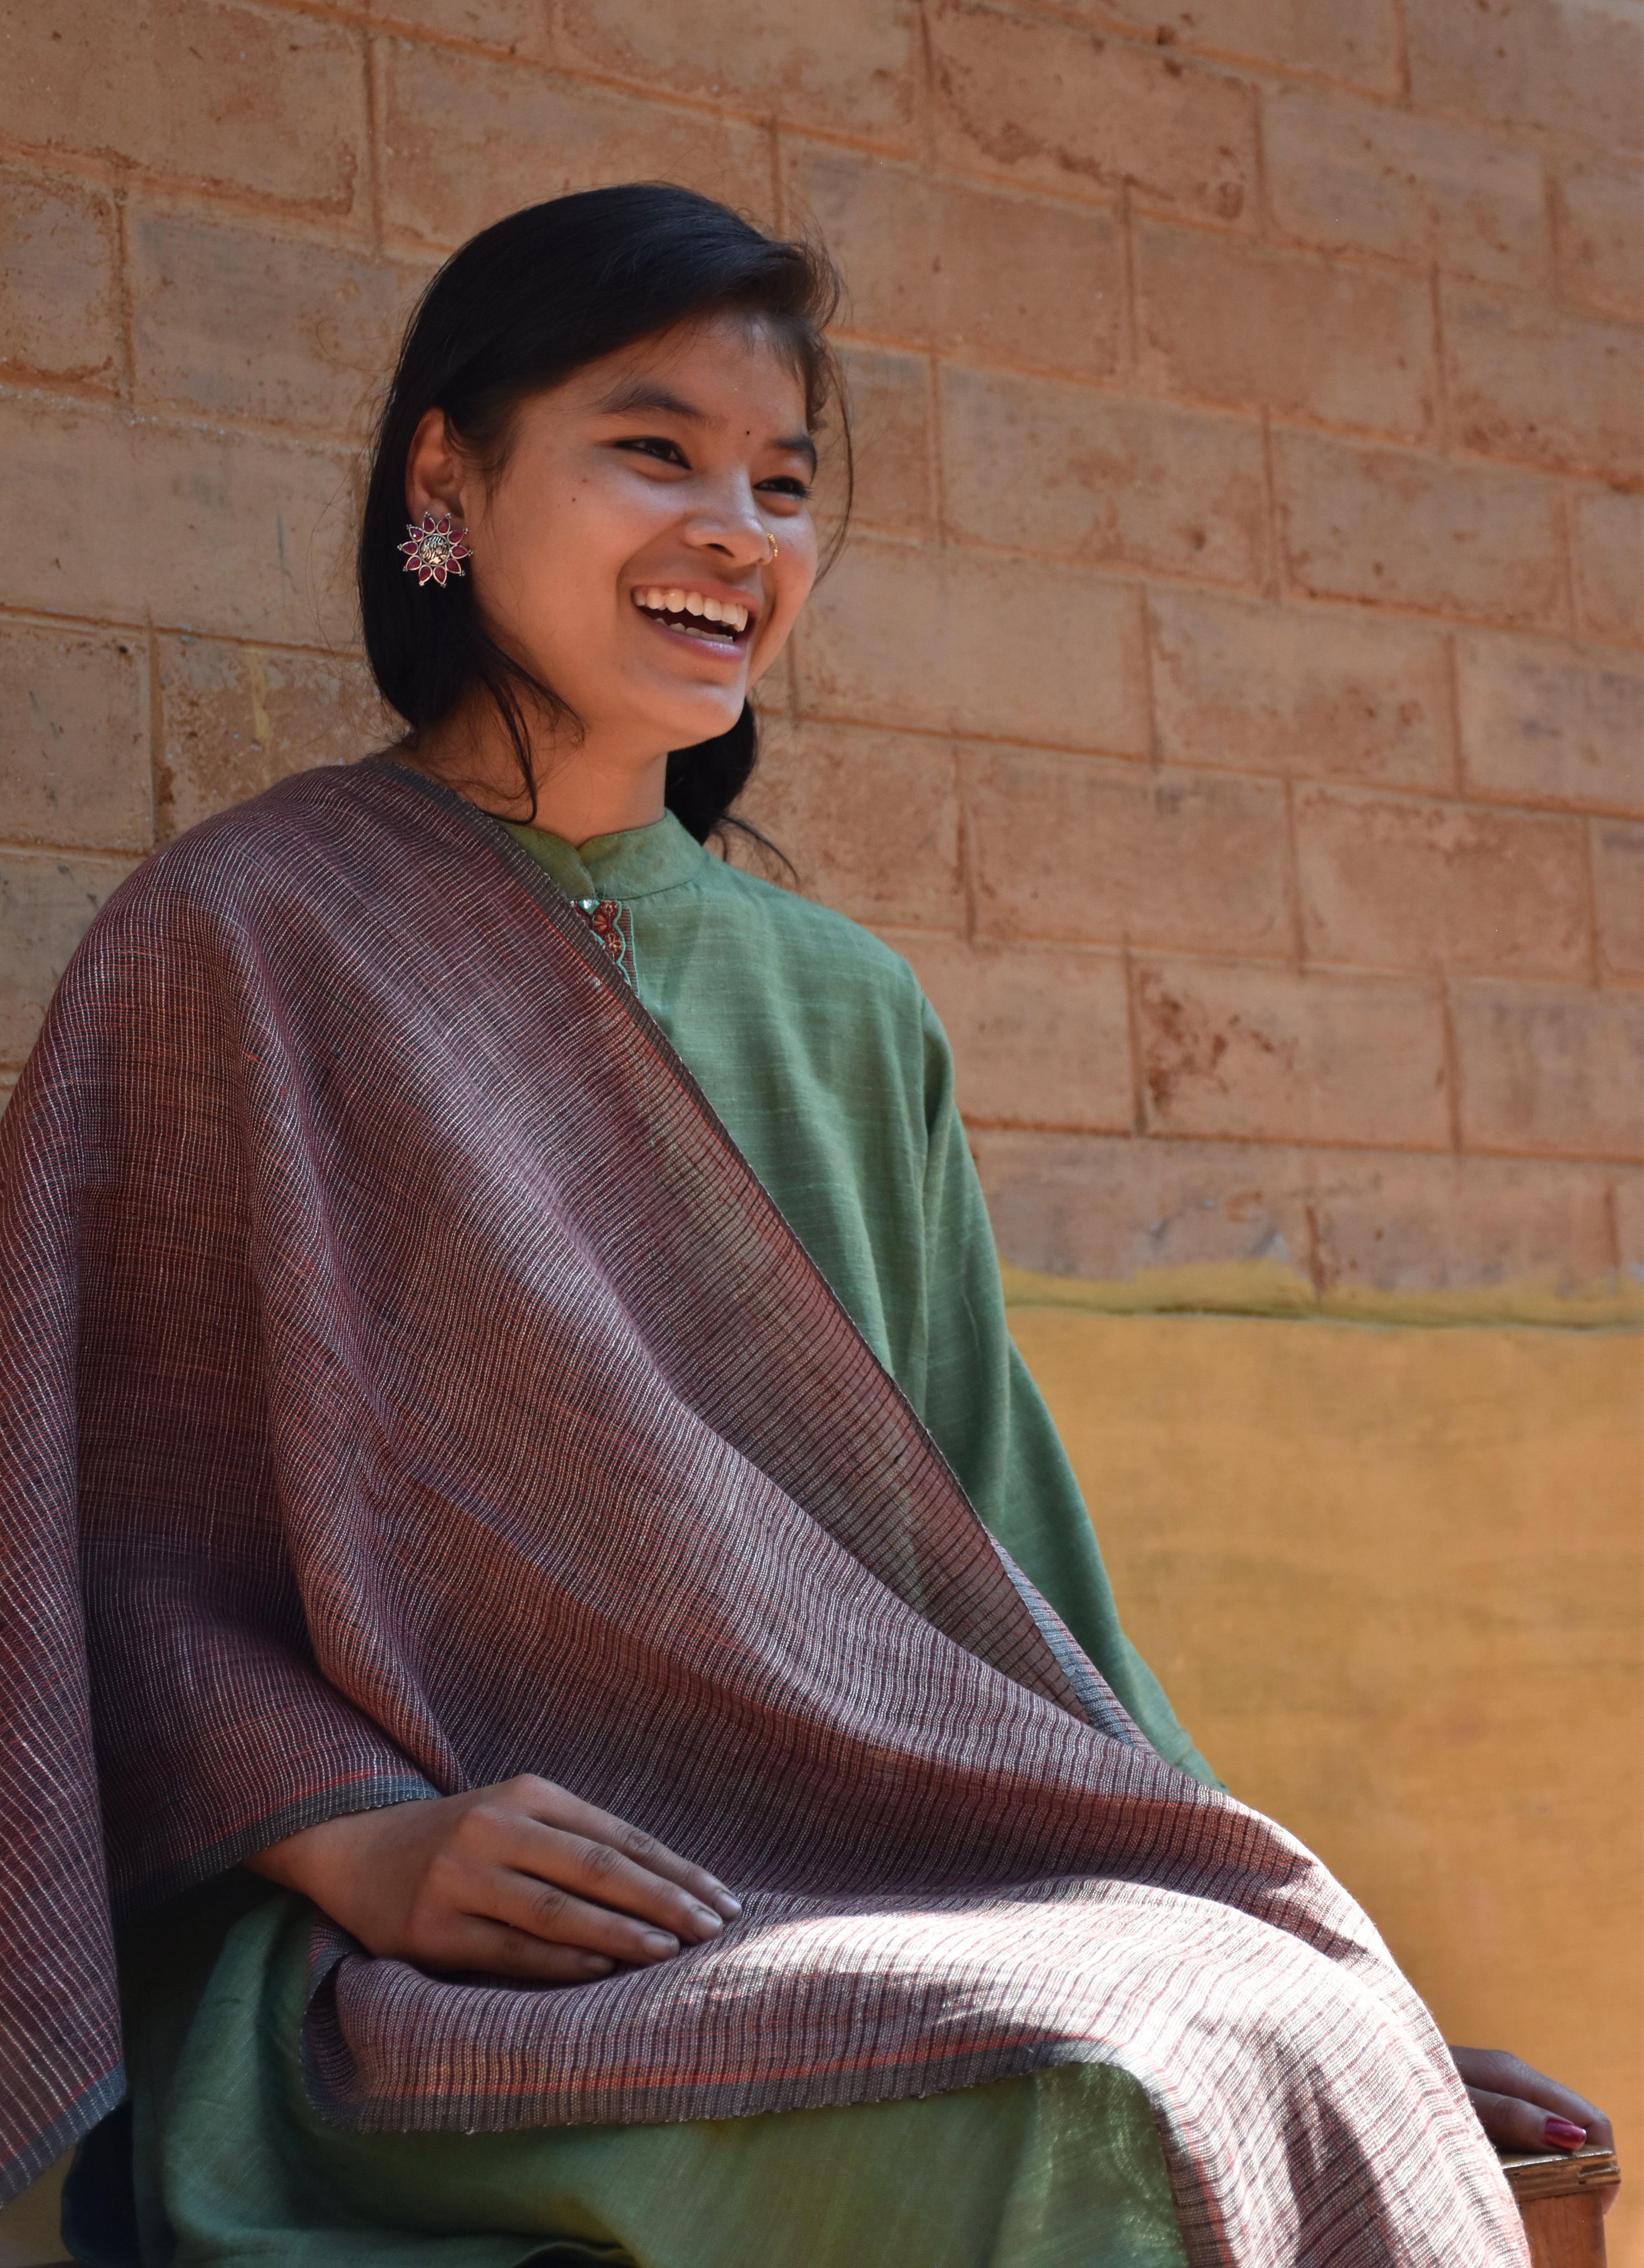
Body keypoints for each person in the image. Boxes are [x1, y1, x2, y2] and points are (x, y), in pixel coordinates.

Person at [0, 187, 1612, 2268]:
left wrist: (1309, 1970)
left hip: (895, 1885)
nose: (736, 533)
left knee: (1242, 2044)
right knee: (1097, 2106)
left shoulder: (847, 1008)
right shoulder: (236, 947)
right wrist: (358, 1841)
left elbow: (1006, 1571)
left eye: (783, 484)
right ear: (446, 483)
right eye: (652, 449)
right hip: (455, 1973)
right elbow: (96, 1546)